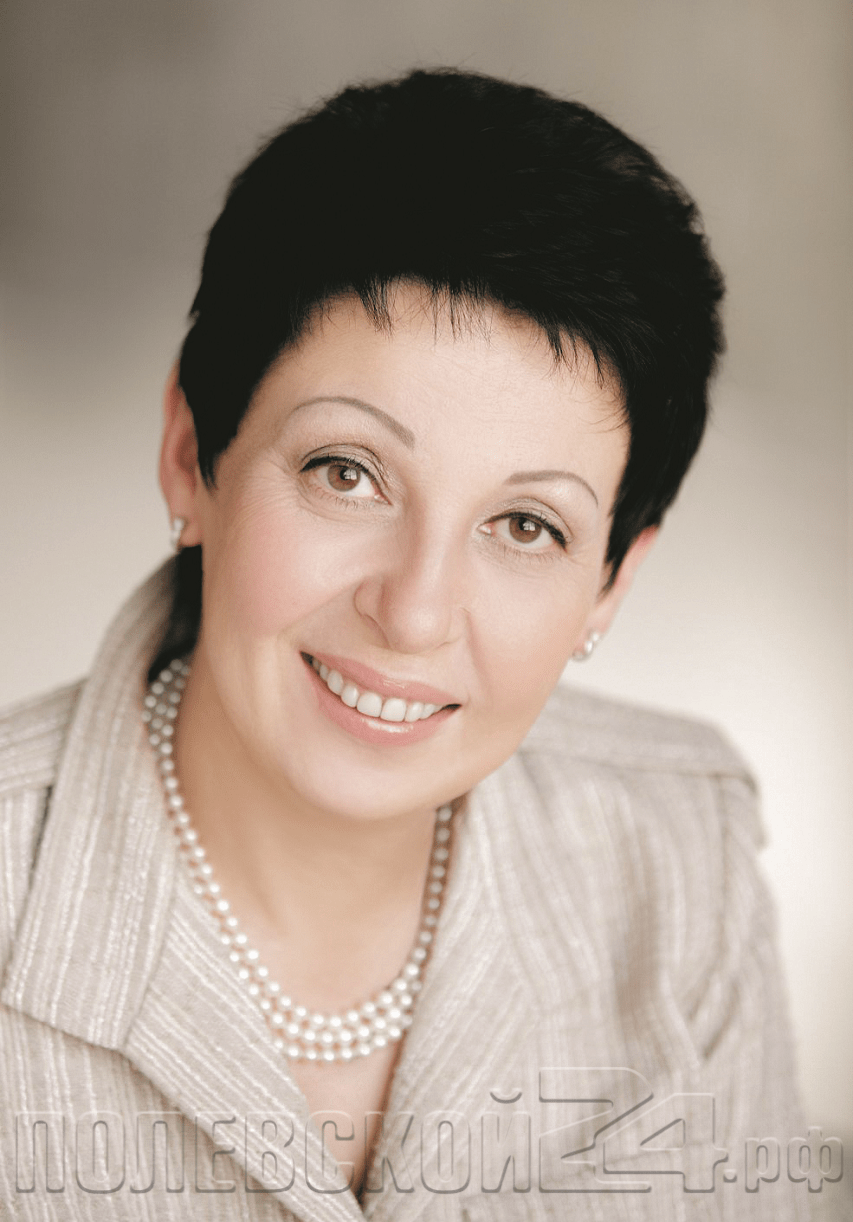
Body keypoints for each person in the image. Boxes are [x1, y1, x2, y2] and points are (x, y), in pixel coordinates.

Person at [0, 68, 816, 1219]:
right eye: (347, 472)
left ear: (610, 582)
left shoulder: (679, 862)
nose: (415, 610)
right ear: (192, 454)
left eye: (525, 526)